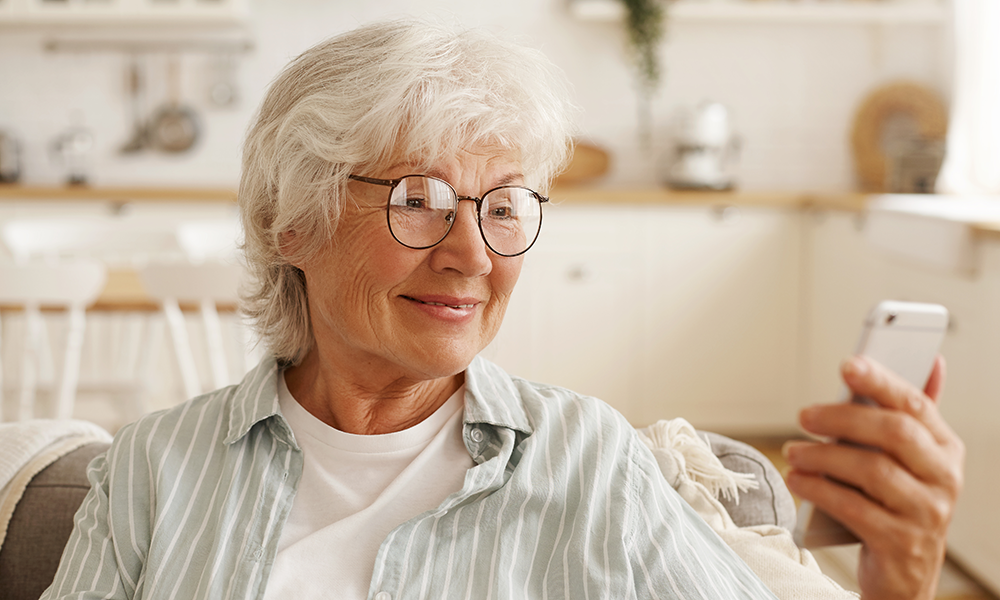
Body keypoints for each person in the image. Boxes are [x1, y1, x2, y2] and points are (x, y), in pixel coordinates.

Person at [42, 19, 963, 600]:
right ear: (292, 221)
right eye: (418, 198)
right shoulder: (151, 474)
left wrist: (901, 585)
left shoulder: (592, 462)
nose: (473, 254)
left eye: (503, 205)